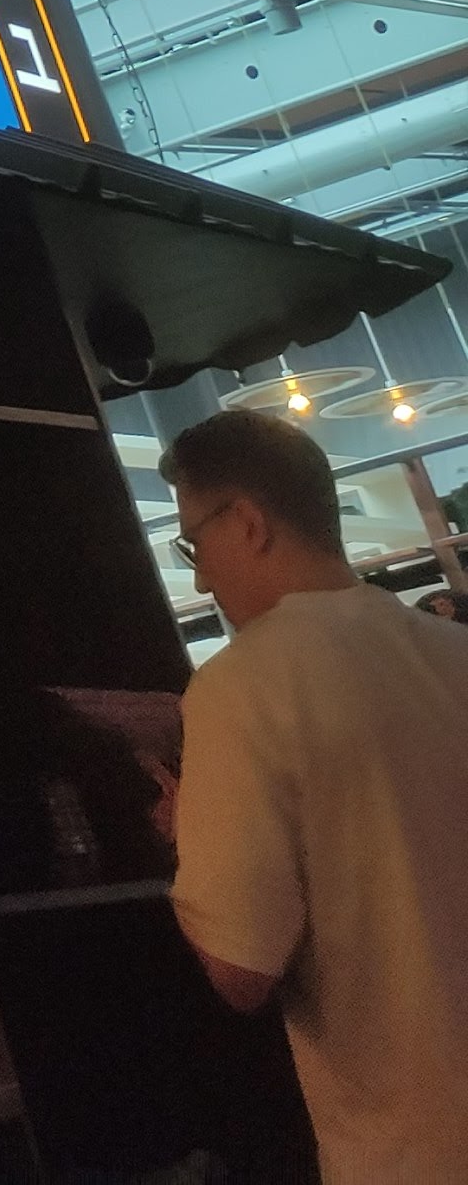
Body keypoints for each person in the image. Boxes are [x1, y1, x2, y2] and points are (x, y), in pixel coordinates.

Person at [162, 405, 468, 1185]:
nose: (201, 576)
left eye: (194, 543)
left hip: (418, 1152)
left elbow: (241, 970)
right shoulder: (456, 650)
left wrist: (188, 832)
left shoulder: (242, 687)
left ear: (249, 523)